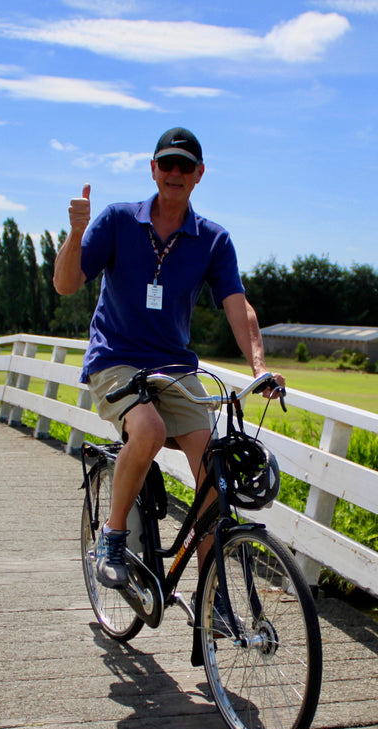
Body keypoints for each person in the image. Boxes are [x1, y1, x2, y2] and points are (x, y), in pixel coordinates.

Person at [53, 126, 281, 589]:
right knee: (150, 430)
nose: (175, 172)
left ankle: (212, 597)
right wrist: (75, 233)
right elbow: (66, 283)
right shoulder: (118, 220)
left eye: (185, 165)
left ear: (200, 174)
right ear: (153, 169)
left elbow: (241, 309)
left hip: (174, 367)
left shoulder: (213, 240)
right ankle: (113, 537)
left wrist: (260, 368)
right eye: (167, 163)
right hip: (115, 357)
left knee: (213, 474)